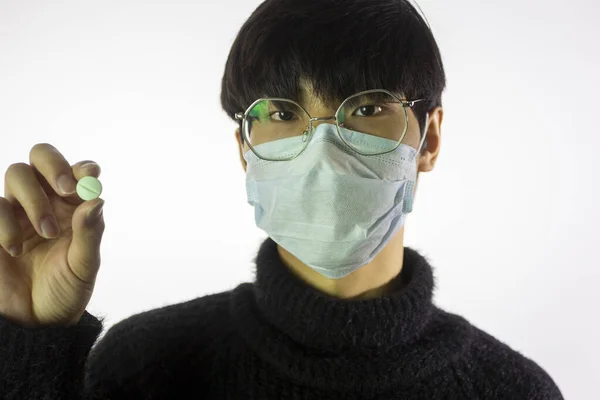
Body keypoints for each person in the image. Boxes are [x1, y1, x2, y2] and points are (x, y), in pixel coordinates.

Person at [0, 0, 564, 398]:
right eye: (280, 113)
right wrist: (30, 340)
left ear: (428, 139)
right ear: (245, 150)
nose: (321, 149)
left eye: (366, 108)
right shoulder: (147, 366)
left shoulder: (512, 390)